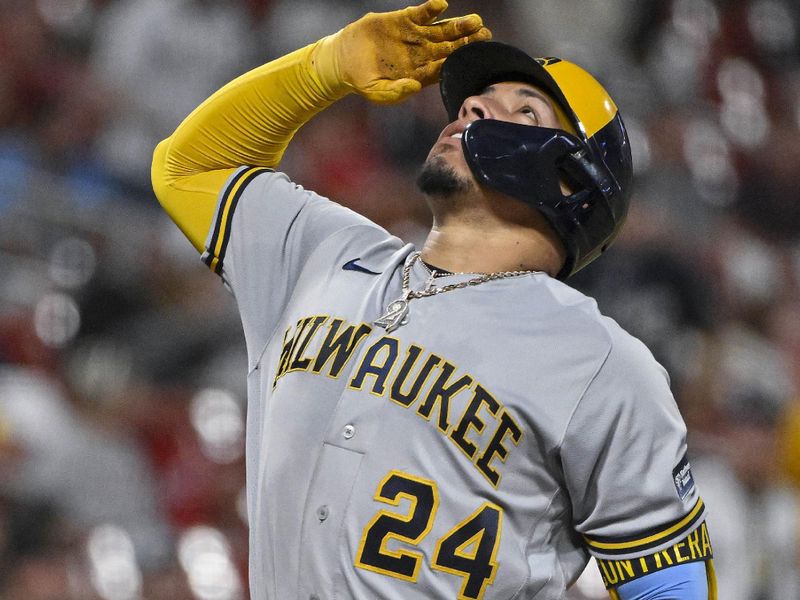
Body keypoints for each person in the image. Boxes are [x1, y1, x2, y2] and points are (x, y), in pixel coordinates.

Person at [151, 1, 716, 598]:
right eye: (477, 98)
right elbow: (186, 168)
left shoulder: (601, 364)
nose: (472, 106)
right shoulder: (325, 250)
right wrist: (327, 66)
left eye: (522, 111)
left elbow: (672, 584)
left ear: (572, 184)